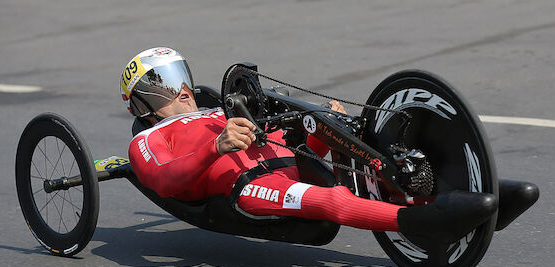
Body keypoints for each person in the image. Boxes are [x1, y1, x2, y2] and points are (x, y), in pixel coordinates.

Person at [124, 47, 497, 243]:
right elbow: (165, 179)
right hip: (250, 187)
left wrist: (318, 123)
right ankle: (422, 222)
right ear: (142, 104)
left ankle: (453, 194)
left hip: (287, 159)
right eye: (161, 87)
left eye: (177, 78)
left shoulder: (217, 110)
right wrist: (216, 147)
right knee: (330, 199)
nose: (181, 91)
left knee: (347, 138)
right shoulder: (148, 139)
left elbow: (271, 133)